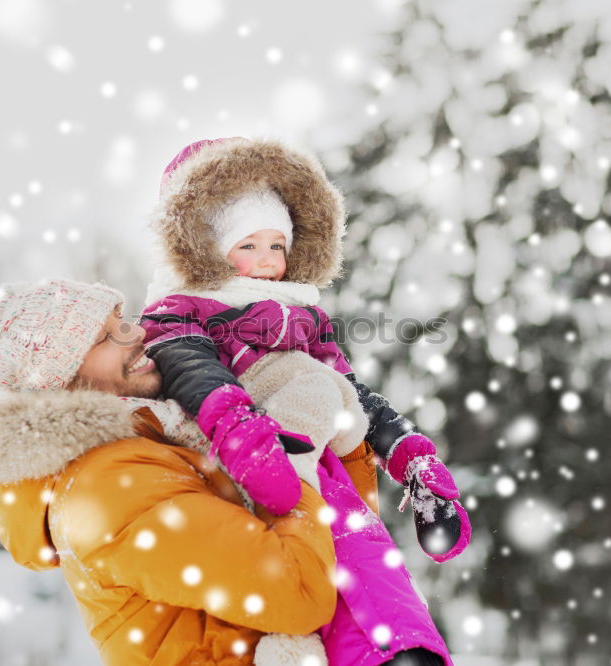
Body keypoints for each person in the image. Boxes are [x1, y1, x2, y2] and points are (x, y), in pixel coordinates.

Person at [140, 138, 466, 665]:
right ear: (203, 245)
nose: (268, 263)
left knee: (367, 570)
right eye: (248, 245)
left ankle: (401, 653)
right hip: (239, 461)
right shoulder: (177, 310)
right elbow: (193, 370)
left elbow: (345, 389)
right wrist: (245, 436)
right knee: (305, 580)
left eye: (278, 246)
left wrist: (405, 450)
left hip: (320, 467)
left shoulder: (300, 314)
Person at [0, 276, 347, 665]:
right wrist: (293, 461)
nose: (137, 333)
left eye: (121, 320)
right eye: (102, 338)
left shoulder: (147, 444)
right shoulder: (110, 485)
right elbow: (299, 592)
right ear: (60, 383)